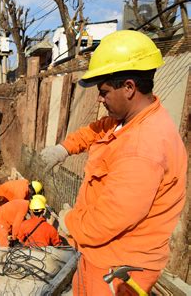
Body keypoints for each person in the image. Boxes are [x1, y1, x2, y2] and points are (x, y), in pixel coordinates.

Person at [40, 30, 187, 295]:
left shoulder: (143, 148)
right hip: (101, 254)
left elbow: (109, 220)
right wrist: (64, 148)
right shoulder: (129, 119)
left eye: (104, 92)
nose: (100, 98)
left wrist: (69, 221)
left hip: (118, 266)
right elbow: (97, 130)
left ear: (129, 87)